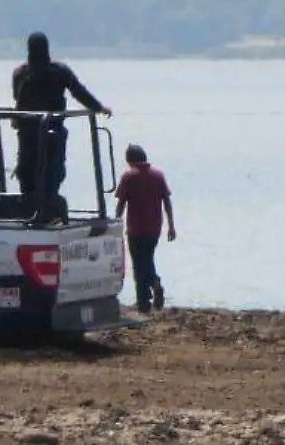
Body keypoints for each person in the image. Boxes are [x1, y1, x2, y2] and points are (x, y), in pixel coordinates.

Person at [11, 31, 111, 222]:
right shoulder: (59, 71)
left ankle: (30, 210)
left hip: (27, 132)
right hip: (52, 130)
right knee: (53, 171)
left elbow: (17, 97)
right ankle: (47, 208)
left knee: (28, 171)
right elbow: (78, 92)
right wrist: (98, 107)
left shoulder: (20, 73)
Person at [114, 143, 175, 313]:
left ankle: (145, 299)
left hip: (136, 228)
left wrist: (115, 223)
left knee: (139, 263)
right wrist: (171, 226)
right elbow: (167, 201)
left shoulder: (129, 176)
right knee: (147, 258)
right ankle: (149, 292)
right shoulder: (158, 175)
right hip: (154, 227)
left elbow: (121, 203)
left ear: (129, 160)